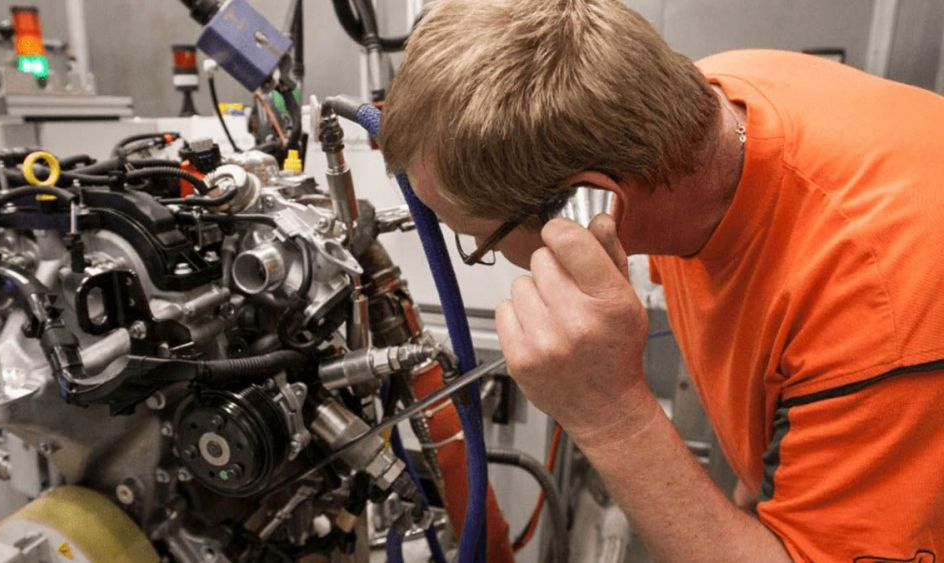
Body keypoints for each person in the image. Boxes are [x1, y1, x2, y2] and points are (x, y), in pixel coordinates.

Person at [379, 0, 944, 561]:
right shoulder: (712, 103)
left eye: (484, 242)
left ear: (586, 204)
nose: (489, 256)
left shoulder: (881, 311)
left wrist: (610, 416)